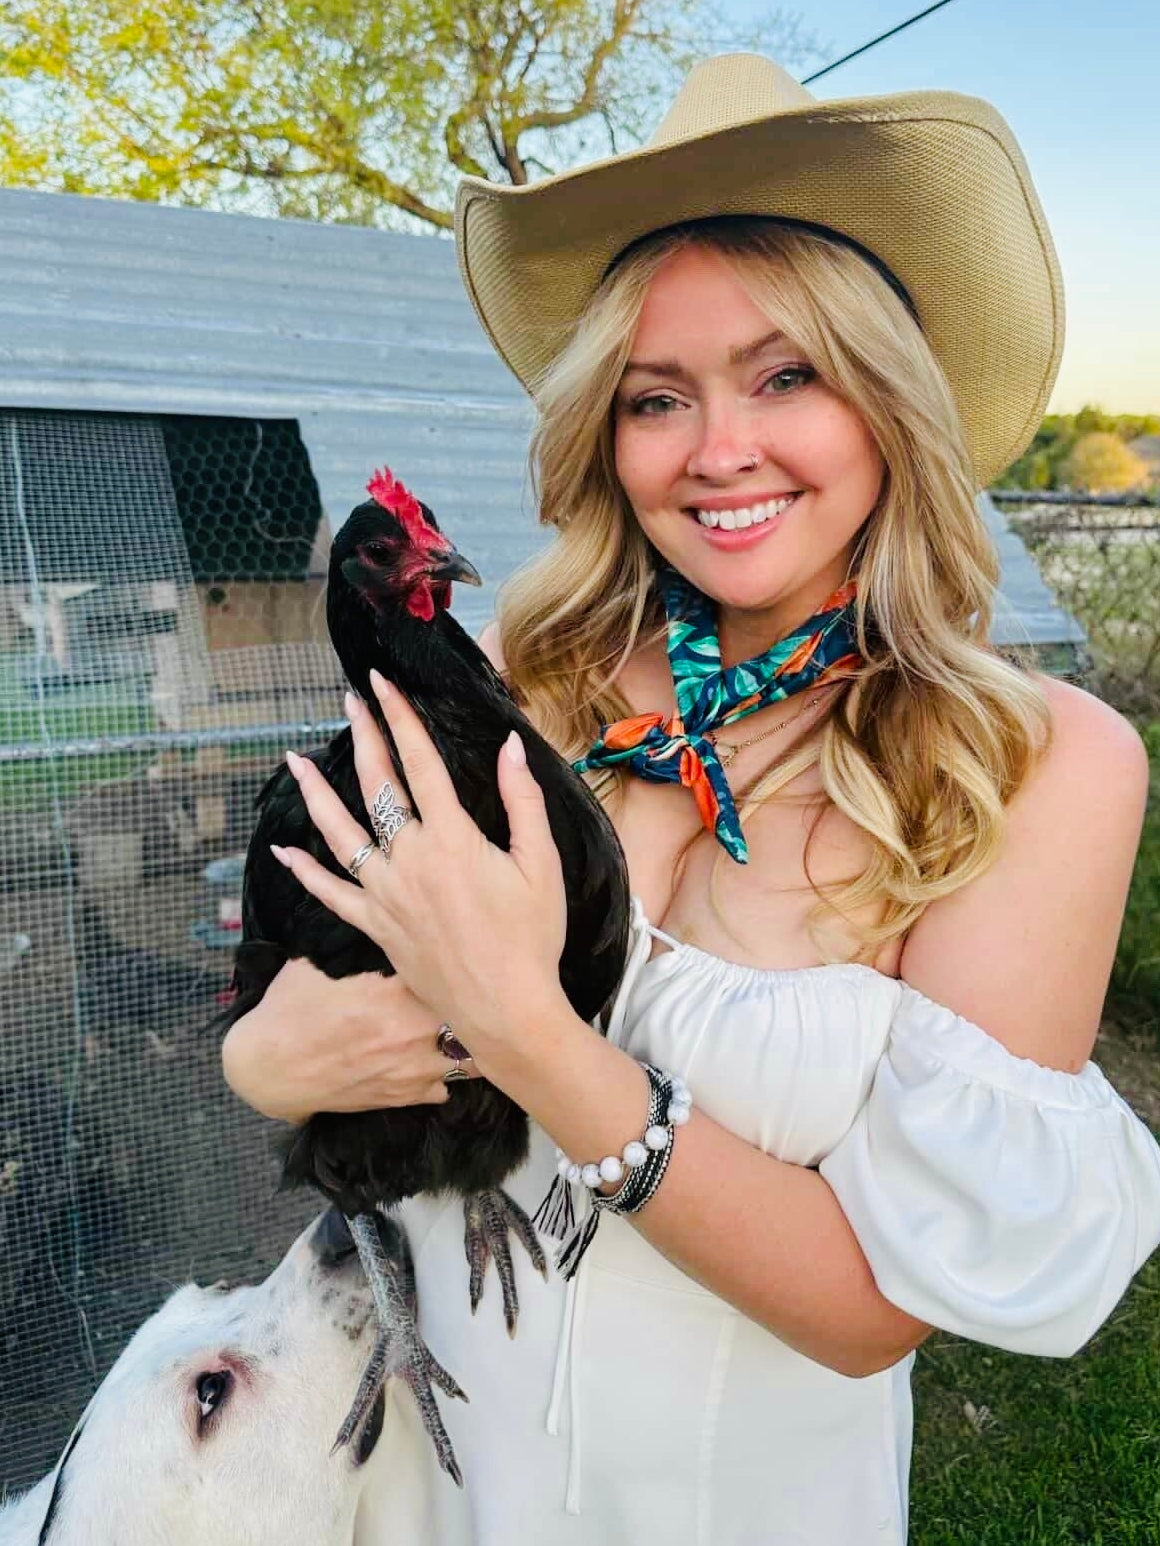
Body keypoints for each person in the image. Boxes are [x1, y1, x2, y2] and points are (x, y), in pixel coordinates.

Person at [221, 54, 1160, 1545]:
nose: (719, 450)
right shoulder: (527, 684)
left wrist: (531, 1033)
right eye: (659, 396)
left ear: (888, 404)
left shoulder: (1028, 761)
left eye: (788, 374)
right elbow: (318, 1022)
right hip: (424, 1497)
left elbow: (869, 1311)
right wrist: (269, 1061)